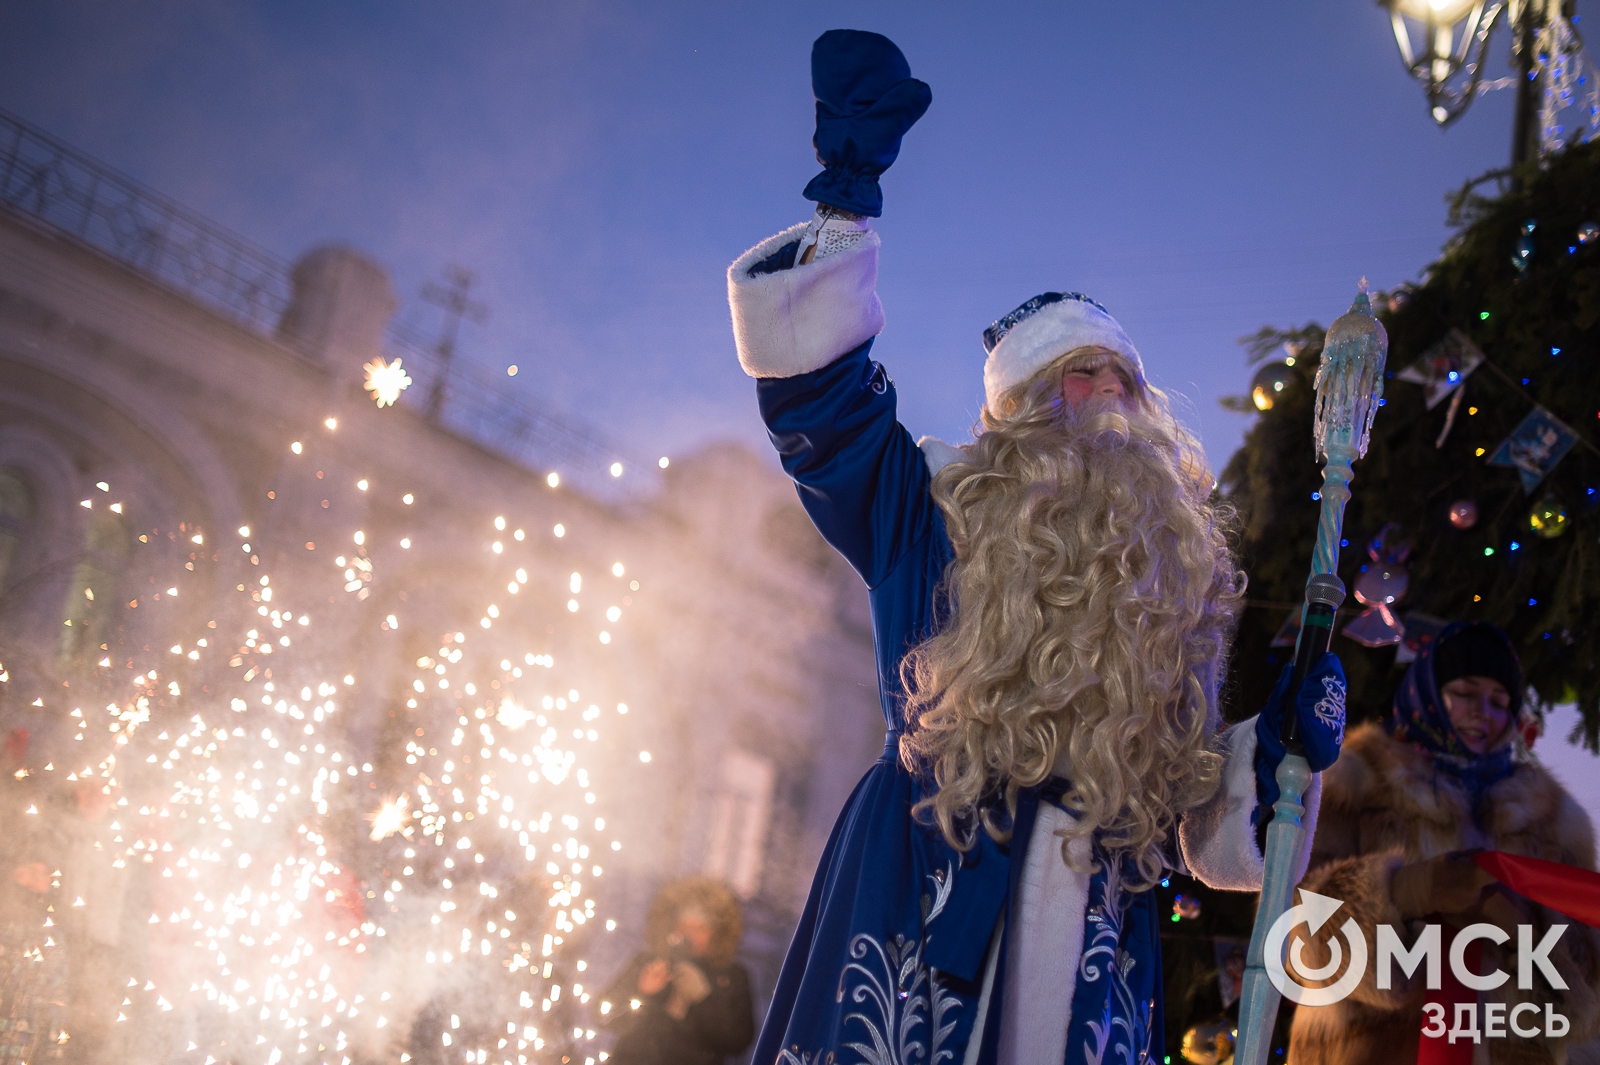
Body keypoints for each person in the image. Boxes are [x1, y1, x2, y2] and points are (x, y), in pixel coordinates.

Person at [727, 30, 1346, 1065]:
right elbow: (819, 406)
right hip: (926, 866)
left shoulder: (1178, 582)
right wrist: (844, 209)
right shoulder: (925, 502)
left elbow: (1202, 819)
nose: (1107, 396)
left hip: (1101, 909)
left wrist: (1278, 744)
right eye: (1076, 376)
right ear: (1013, 412)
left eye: (1122, 379)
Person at [1288, 621, 1600, 1062]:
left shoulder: (1553, 815)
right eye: (1466, 693)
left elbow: (1589, 979)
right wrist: (1411, 891)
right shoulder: (1356, 778)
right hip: (1373, 1047)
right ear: (1428, 692)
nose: (1483, 713)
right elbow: (1292, 929)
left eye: (1499, 702)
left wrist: (1522, 933)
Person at [600, 877, 755, 1065]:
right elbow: (603, 1016)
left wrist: (704, 999)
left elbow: (738, 1041)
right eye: (684, 925)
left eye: (700, 928)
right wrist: (643, 993)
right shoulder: (647, 962)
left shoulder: (733, 976)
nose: (690, 935)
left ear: (717, 932)